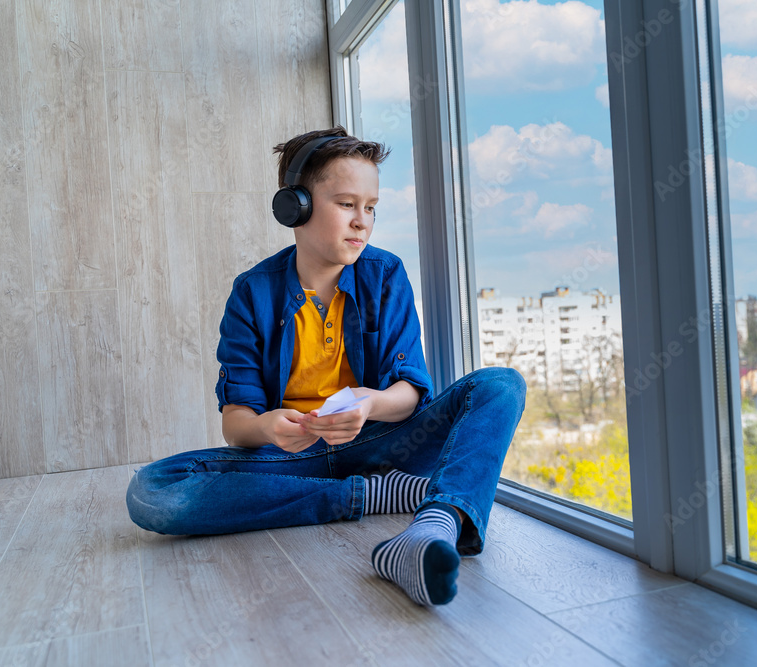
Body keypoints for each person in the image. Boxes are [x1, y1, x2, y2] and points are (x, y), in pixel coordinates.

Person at [125, 126, 527, 606]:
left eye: (371, 207)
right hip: (294, 461)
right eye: (346, 204)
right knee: (152, 492)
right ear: (295, 206)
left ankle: (431, 527)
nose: (363, 222)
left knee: (502, 385)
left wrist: (371, 402)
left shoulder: (386, 274)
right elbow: (237, 427)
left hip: (383, 441)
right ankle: (378, 497)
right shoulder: (252, 293)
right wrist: (269, 427)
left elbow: (411, 394)